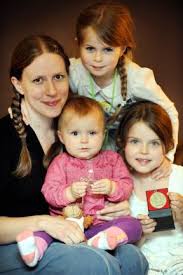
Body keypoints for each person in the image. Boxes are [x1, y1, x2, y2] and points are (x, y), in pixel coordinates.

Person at [0, 34, 149, 275]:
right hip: (18, 244)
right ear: (18, 84)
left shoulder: (77, 126)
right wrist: (43, 222)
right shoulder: (5, 137)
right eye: (38, 80)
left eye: (58, 77)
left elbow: (115, 168)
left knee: (133, 258)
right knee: (98, 264)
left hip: (74, 233)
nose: (51, 90)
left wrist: (118, 205)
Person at [16, 96, 142, 267]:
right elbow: (49, 191)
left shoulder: (112, 160)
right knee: (44, 230)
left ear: (103, 135)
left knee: (134, 225)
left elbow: (127, 185)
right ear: (61, 136)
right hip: (65, 226)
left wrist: (112, 188)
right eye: (75, 133)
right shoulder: (61, 162)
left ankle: (106, 240)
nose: (84, 140)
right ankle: (34, 249)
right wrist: (69, 193)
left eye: (92, 133)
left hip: (101, 225)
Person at [69, 1, 179, 179]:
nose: (97, 58)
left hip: (126, 154)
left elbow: (169, 111)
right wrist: (23, 105)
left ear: (123, 49)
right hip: (86, 150)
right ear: (78, 44)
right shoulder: (74, 72)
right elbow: (47, 84)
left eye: (107, 50)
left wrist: (167, 156)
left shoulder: (137, 78)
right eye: (90, 48)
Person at [116, 99, 183, 274]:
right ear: (122, 142)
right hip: (144, 267)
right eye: (135, 141)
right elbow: (120, 250)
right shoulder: (117, 187)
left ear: (167, 145)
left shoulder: (179, 177)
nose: (144, 151)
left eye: (154, 143)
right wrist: (140, 233)